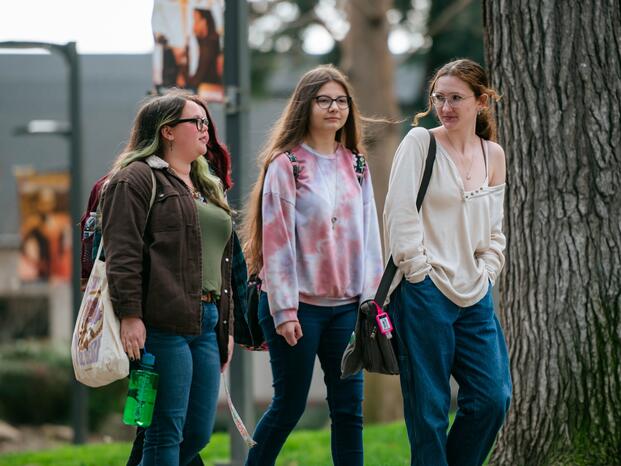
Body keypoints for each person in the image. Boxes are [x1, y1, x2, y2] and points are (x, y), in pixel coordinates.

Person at [241, 64, 384, 466]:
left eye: (341, 100)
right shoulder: (287, 165)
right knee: (289, 406)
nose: (334, 108)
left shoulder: (356, 164)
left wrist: (370, 301)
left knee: (348, 412)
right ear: (306, 105)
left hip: (347, 309)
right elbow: (277, 242)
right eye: (324, 100)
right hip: (298, 309)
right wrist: (284, 310)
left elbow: (370, 235)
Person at [101, 91, 246, 466]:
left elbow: (222, 262)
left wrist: (225, 327)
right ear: (167, 131)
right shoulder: (134, 179)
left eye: (206, 123)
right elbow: (123, 254)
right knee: (165, 430)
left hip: (209, 322)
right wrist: (130, 315)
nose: (206, 130)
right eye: (196, 122)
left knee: (197, 433)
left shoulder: (205, 183)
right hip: (161, 326)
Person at [384, 58, 512, 466]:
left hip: (475, 294)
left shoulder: (493, 155)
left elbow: (494, 230)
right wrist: (418, 273)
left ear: (482, 100)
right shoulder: (420, 143)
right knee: (429, 410)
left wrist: (489, 269)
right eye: (439, 98)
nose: (446, 106)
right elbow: (399, 214)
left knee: (494, 397)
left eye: (456, 98)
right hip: (424, 293)